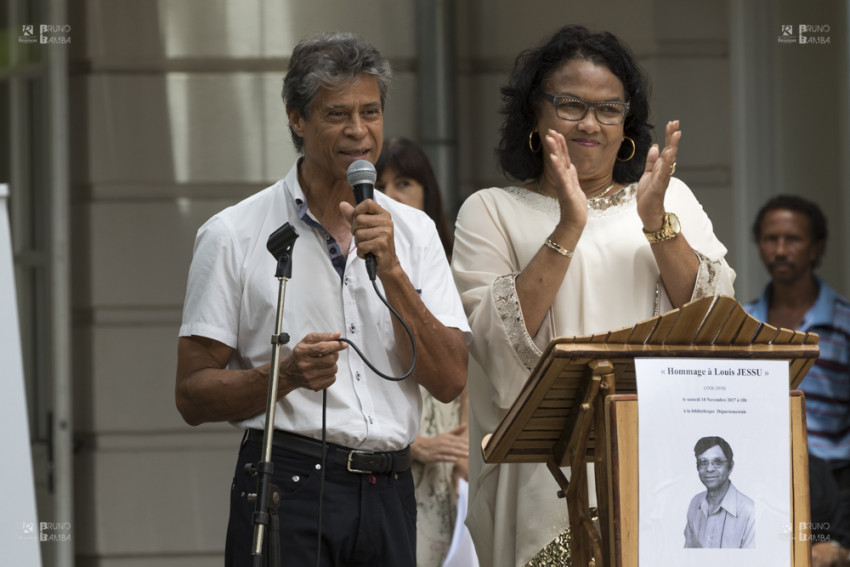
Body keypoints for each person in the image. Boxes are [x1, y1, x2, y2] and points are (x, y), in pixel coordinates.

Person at [175, 32, 470, 567]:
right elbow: (192, 394)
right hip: (286, 482)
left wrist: (394, 270)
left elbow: (450, 380)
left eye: (371, 112)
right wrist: (283, 376)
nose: (359, 132)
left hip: (390, 489)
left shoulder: (415, 230)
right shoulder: (233, 233)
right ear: (296, 118)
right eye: (337, 114)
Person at [450, 24, 735, 566]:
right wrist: (569, 224)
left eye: (609, 109)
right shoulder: (489, 210)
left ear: (627, 121)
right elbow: (491, 346)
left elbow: (713, 322)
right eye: (570, 104)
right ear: (535, 113)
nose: (590, 123)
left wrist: (656, 222)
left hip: (657, 459)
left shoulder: (667, 197)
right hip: (544, 472)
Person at [376, 137, 473, 567]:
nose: (389, 194)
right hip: (390, 456)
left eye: (404, 182)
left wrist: (469, 445)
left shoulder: (455, 270)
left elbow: (474, 367)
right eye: (379, 183)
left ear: (427, 193)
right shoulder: (358, 265)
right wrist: (411, 445)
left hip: (450, 463)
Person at [743, 195, 850, 564]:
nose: (781, 249)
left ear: (816, 246)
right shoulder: (742, 324)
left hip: (833, 487)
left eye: (794, 239)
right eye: (771, 239)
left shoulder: (844, 324)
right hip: (759, 482)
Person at [683, 436, 755, 548]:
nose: (709, 469)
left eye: (717, 462)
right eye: (703, 462)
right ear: (697, 467)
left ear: (730, 467)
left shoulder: (749, 511)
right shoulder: (695, 504)